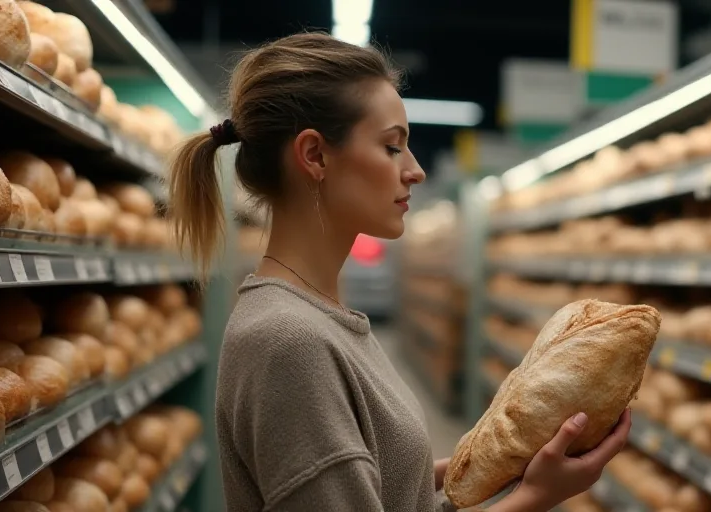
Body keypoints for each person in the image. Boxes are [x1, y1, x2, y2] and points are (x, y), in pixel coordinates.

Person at [167, 32, 631, 512]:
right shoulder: (288, 342)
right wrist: (536, 497)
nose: (415, 170)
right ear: (315, 155)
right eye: (392, 147)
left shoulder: (320, 318)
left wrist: (496, 466)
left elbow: (382, 489)